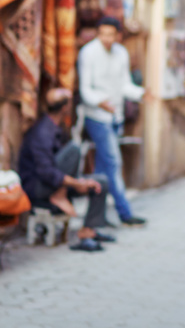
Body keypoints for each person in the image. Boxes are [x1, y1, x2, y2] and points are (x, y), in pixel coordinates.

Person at [17, 88, 115, 252]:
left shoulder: (58, 127)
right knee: (75, 149)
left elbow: (63, 167)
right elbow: (46, 172)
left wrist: (80, 182)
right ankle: (59, 195)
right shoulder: (42, 132)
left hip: (56, 182)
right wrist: (76, 183)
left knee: (101, 182)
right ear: (65, 107)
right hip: (39, 187)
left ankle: (88, 231)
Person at [77, 16, 148, 226]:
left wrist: (141, 93)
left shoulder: (121, 53)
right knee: (114, 162)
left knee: (102, 170)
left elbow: (124, 85)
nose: (107, 39)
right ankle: (125, 213)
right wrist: (101, 102)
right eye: (103, 34)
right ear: (98, 33)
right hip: (97, 116)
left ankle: (95, 218)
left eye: (111, 34)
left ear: (117, 35)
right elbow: (85, 90)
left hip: (115, 116)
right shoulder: (88, 53)